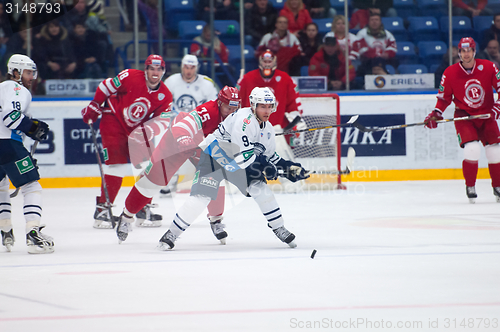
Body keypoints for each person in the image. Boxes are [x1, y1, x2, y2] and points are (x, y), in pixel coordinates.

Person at [157, 87, 310, 250]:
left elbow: (270, 156)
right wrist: (268, 167)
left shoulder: (269, 130)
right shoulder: (244, 120)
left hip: (239, 161)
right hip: (215, 155)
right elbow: (244, 156)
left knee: (260, 188)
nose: (266, 110)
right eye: (262, 106)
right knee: (201, 197)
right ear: (253, 105)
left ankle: (279, 227)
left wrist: (288, 168)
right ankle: (172, 233)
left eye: (269, 106)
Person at [115, 87, 241, 242]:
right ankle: (126, 216)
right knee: (154, 181)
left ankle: (216, 220)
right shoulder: (207, 111)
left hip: (203, 145)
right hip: (178, 140)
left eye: (236, 108)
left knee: (214, 176)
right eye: (229, 108)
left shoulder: (237, 117)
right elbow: (182, 126)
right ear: (220, 103)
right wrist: (184, 138)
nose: (232, 112)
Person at [81, 54, 173, 229]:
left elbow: (163, 120)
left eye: (159, 69)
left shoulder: (165, 95)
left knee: (149, 167)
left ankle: (141, 207)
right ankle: (102, 209)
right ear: (145, 70)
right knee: (117, 165)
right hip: (113, 119)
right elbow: (106, 86)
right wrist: (95, 104)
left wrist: (146, 131)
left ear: (163, 71)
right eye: (151, 68)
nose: (155, 72)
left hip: (138, 129)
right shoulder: (130, 76)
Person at [424, 37, 500, 203]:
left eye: (469, 50)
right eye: (463, 51)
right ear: (459, 52)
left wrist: (497, 108)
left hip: (487, 115)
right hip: (465, 116)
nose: (466, 54)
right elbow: (444, 98)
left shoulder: (489, 67)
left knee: (495, 152)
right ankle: (470, 186)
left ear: (474, 51)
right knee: (472, 149)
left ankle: (497, 186)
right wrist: (436, 113)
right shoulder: (450, 72)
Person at [0, 54, 54, 254]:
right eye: (28, 72)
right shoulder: (16, 88)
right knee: (32, 186)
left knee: (2, 186)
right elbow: (11, 118)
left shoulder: (0, 88)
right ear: (16, 72)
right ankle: (33, 235)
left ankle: (5, 229)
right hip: (8, 144)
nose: (32, 77)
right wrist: (34, 127)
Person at [238, 49, 306, 192]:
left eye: (270, 61)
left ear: (275, 61)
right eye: (265, 61)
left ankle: (290, 183)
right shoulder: (247, 79)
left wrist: (297, 123)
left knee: (277, 154)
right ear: (260, 62)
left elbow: (293, 104)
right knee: (244, 156)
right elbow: (237, 101)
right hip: (249, 129)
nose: (267, 64)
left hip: (273, 129)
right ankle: (238, 182)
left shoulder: (286, 79)